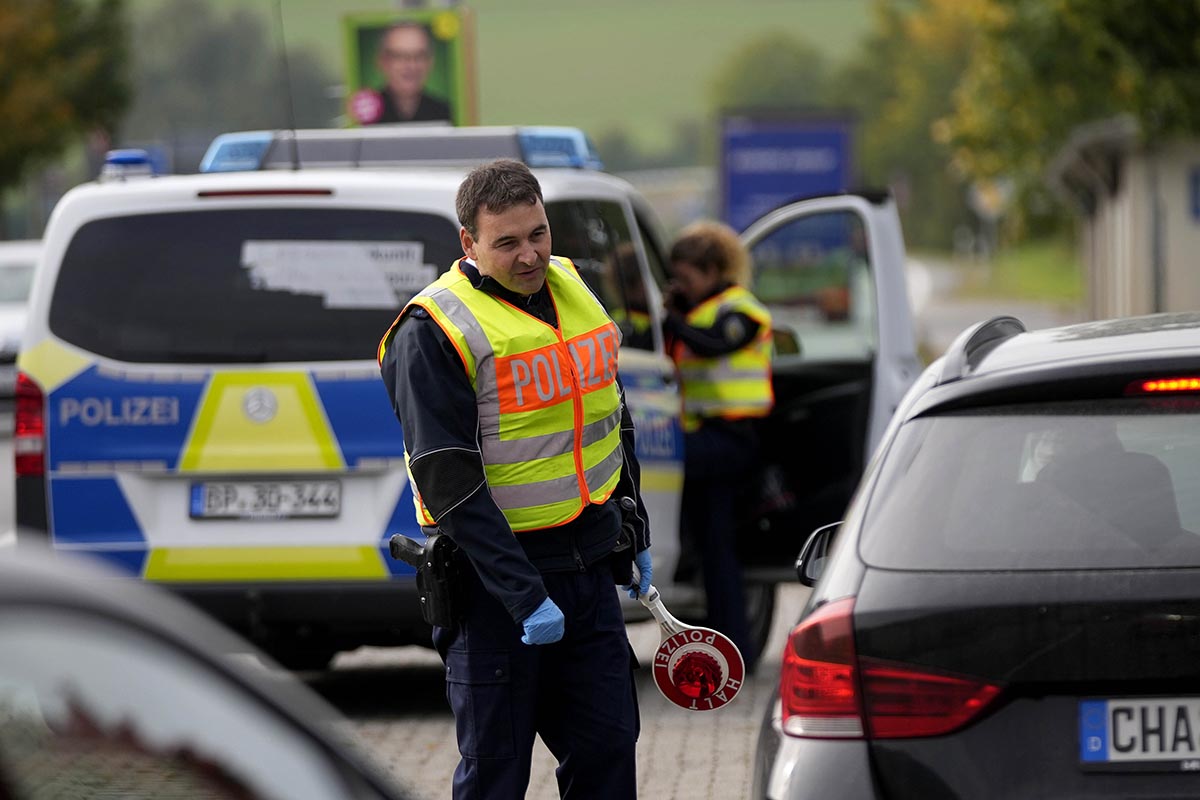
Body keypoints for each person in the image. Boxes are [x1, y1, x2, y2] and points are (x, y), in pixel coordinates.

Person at [377, 159, 652, 799]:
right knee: (498, 775)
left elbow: (609, 413)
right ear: (469, 244)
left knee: (609, 755)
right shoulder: (434, 329)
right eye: (507, 242)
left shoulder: (573, 287)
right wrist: (524, 595)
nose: (529, 255)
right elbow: (447, 480)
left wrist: (632, 521)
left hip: (587, 570)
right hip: (497, 592)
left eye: (538, 234)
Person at [662, 220, 773, 673]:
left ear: (711, 270)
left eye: (687, 278)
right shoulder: (700, 310)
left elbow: (711, 347)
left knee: (716, 543)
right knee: (716, 547)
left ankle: (735, 644)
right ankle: (733, 646)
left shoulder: (740, 310)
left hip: (734, 438)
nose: (682, 288)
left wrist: (672, 317)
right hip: (710, 434)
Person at [353, 21, 453, 125]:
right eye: (399, 56)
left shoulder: (447, 113)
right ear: (382, 61)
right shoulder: (363, 113)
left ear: (430, 62)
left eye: (419, 56)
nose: (411, 65)